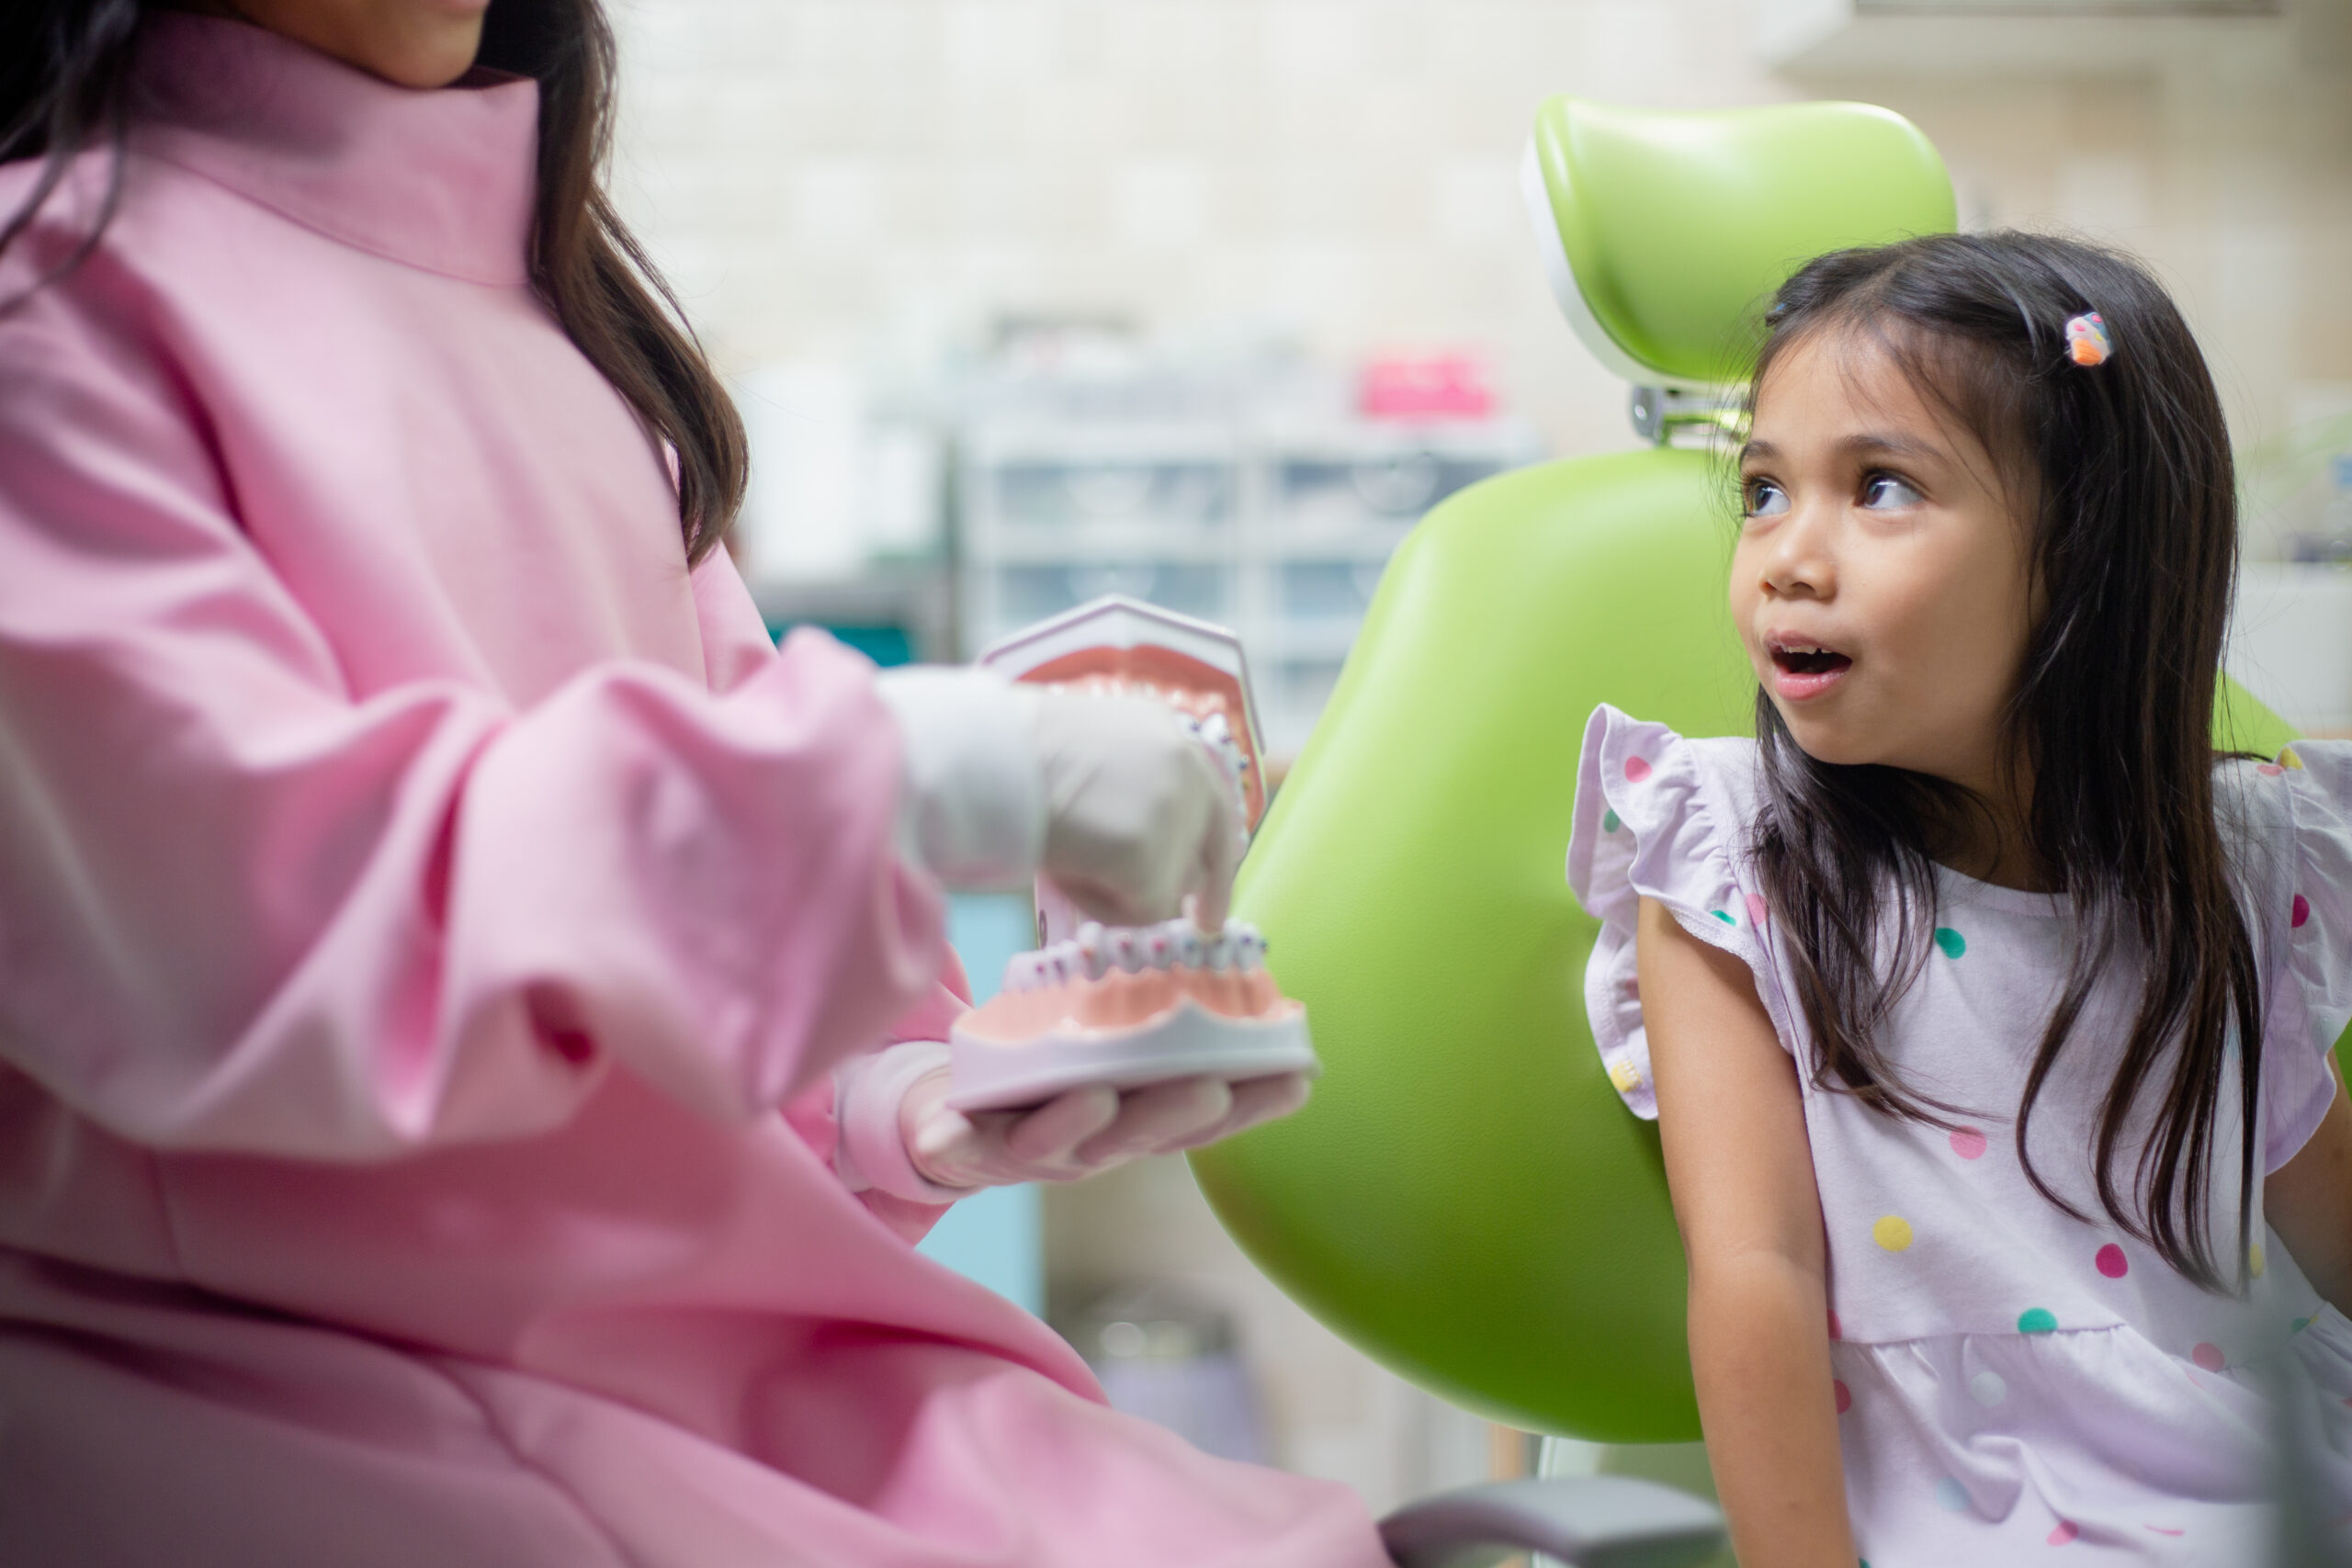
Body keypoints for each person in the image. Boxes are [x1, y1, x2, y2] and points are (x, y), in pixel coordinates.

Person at [0, 4, 1389, 1564]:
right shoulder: (51, 311)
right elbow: (256, 928)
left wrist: (902, 1110)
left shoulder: (552, 326)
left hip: (725, 1371)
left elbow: (688, 947)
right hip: (303, 1391)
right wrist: (916, 774)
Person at [1566, 231, 2352, 1565]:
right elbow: (1757, 1276)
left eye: (1878, 487)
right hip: (1994, 1507)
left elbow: (2324, 1216)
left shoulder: (2236, 863)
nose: (1787, 559)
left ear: (2090, 561)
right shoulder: (1731, 857)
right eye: (1762, 491)